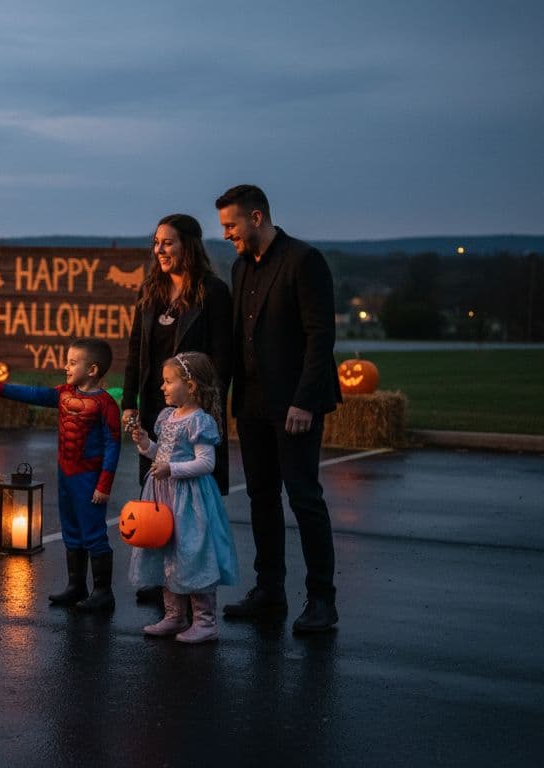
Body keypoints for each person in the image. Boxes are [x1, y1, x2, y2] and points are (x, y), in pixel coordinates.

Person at [214, 184, 341, 634]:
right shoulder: (240, 267)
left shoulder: (303, 260)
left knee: (304, 498)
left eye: (231, 225)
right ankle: (270, 591)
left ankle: (322, 601)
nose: (226, 234)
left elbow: (320, 336)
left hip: (293, 404)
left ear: (256, 217)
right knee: (261, 497)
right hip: (251, 402)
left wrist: (305, 400)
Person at [0, 338, 122, 611]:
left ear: (92, 370)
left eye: (72, 362)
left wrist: (104, 484)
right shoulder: (63, 393)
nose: (65, 367)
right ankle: (76, 586)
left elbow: (113, 445)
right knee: (71, 529)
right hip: (66, 474)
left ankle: (103, 592)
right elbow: (32, 394)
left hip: (89, 478)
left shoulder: (106, 405)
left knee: (93, 532)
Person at [121, 213, 233, 603]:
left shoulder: (213, 292)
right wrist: (129, 403)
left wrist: (205, 407)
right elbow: (136, 353)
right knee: (157, 496)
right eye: (156, 243)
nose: (159, 250)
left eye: (168, 242)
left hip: (191, 410)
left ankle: (192, 584)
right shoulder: (150, 291)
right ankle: (161, 580)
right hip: (156, 406)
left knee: (189, 505)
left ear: (189, 245)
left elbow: (222, 358)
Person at [127, 352, 239, 643]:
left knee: (192, 554)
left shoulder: (199, 421)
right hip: (164, 497)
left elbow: (206, 463)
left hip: (190, 501)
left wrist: (172, 469)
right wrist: (146, 445)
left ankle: (205, 622)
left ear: (190, 386)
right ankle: (174, 616)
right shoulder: (167, 417)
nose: (162, 387)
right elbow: (161, 455)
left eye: (168, 381)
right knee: (168, 552)